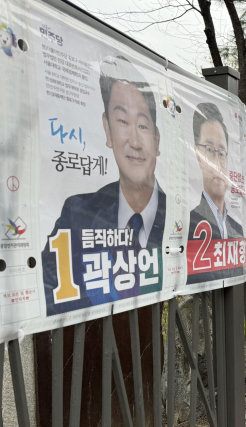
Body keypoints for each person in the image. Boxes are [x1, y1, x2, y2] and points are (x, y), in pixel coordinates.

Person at [42, 55, 166, 313]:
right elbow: (48, 292)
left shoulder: (183, 218)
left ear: (156, 138)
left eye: (143, 125)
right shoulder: (77, 215)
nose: (134, 140)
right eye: (122, 121)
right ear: (107, 130)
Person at [188, 102, 244, 282]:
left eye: (222, 152)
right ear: (197, 155)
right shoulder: (190, 223)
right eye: (210, 150)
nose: (217, 162)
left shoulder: (237, 228)